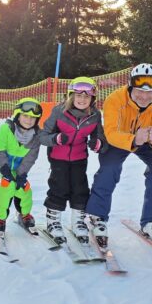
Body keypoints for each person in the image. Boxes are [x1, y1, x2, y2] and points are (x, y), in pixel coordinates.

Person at [83, 64, 152, 247]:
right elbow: (111, 132)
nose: (144, 96)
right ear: (130, 86)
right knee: (109, 168)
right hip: (121, 139)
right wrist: (133, 140)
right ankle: (97, 216)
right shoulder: (115, 99)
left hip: (149, 140)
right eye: (139, 91)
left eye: (150, 92)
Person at [38, 77, 103, 242]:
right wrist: (56, 138)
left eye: (87, 96)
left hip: (79, 158)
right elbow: (43, 136)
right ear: (71, 96)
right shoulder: (58, 111)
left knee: (80, 188)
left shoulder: (95, 115)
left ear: (92, 98)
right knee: (59, 187)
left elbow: (99, 136)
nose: (82, 100)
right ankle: (53, 221)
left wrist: (98, 143)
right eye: (78, 96)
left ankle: (78, 222)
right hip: (58, 158)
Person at [0, 98, 43, 235]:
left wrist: (21, 174)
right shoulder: (6, 129)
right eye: (25, 116)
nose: (29, 120)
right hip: (6, 167)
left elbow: (30, 158)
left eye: (33, 117)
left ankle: (24, 215)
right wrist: (4, 169)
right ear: (18, 115)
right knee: (6, 188)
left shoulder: (36, 137)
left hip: (21, 169)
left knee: (24, 189)